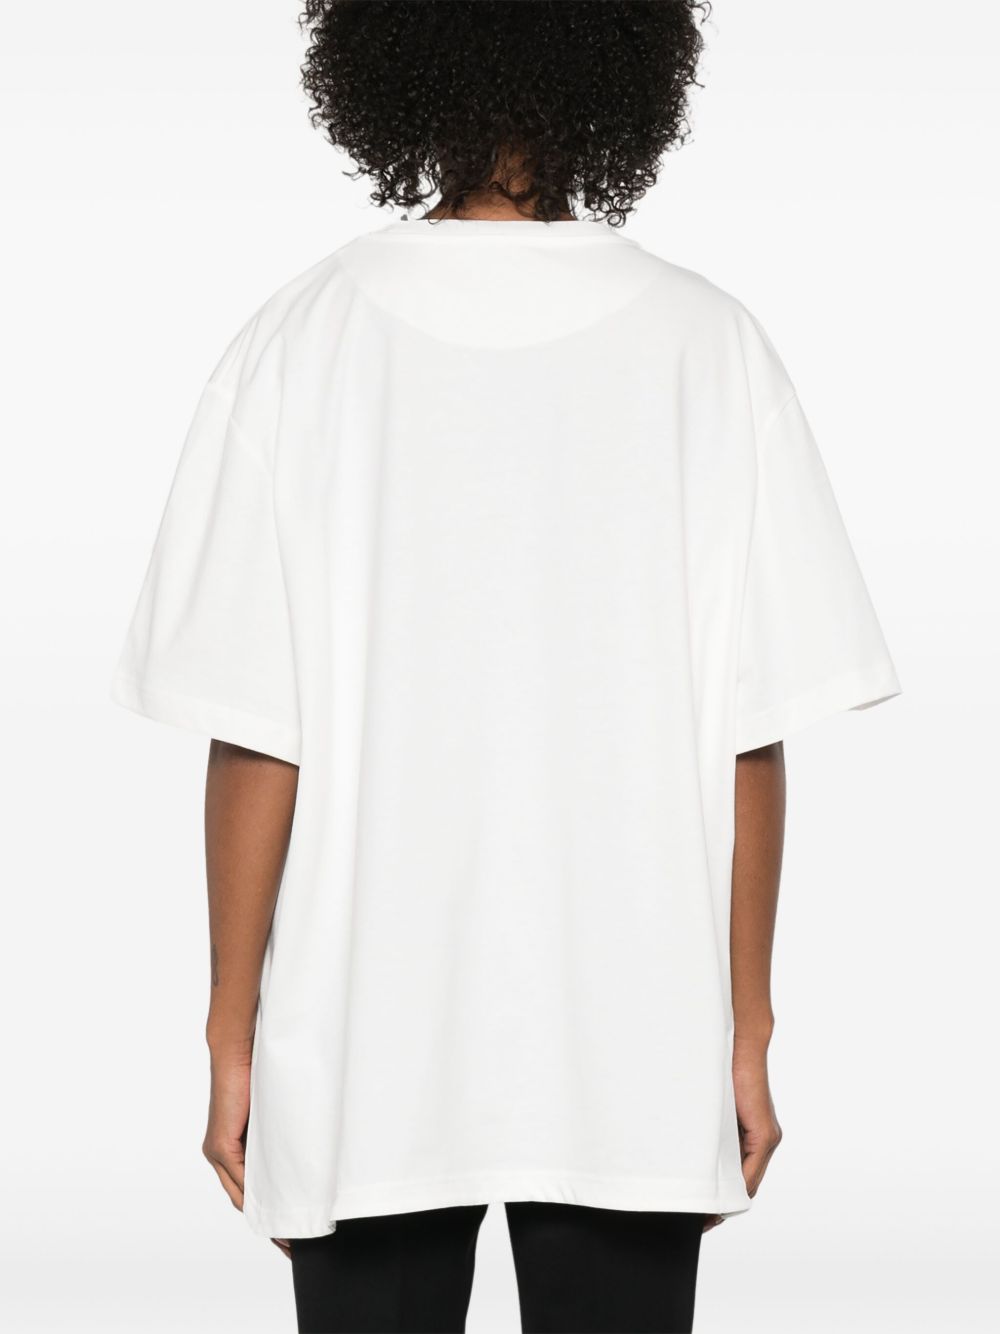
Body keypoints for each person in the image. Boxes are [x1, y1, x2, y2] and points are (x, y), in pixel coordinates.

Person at [109, 2, 902, 1331]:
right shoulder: (709, 346)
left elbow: (256, 735)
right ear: (627, 67)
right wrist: (746, 1028)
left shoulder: (301, 342)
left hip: (360, 1050)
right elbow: (750, 738)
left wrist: (229, 1030)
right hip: (633, 1049)